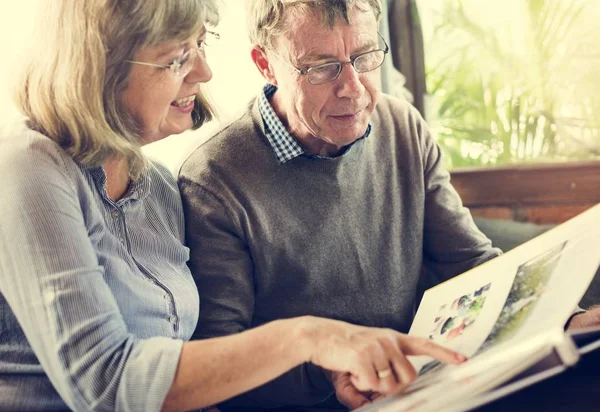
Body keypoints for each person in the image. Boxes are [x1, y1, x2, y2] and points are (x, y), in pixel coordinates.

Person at [0, 0, 467, 411]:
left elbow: (190, 360)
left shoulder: (157, 188)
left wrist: (335, 366)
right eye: (177, 58)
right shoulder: (27, 168)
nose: (204, 72)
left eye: (200, 45)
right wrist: (312, 340)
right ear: (98, 66)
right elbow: (105, 385)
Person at [178, 0, 600, 409]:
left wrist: (563, 317)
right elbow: (221, 359)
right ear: (265, 64)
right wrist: (328, 369)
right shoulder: (214, 178)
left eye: (364, 56)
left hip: (427, 381)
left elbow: (470, 262)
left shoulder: (403, 128)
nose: (353, 89)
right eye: (322, 68)